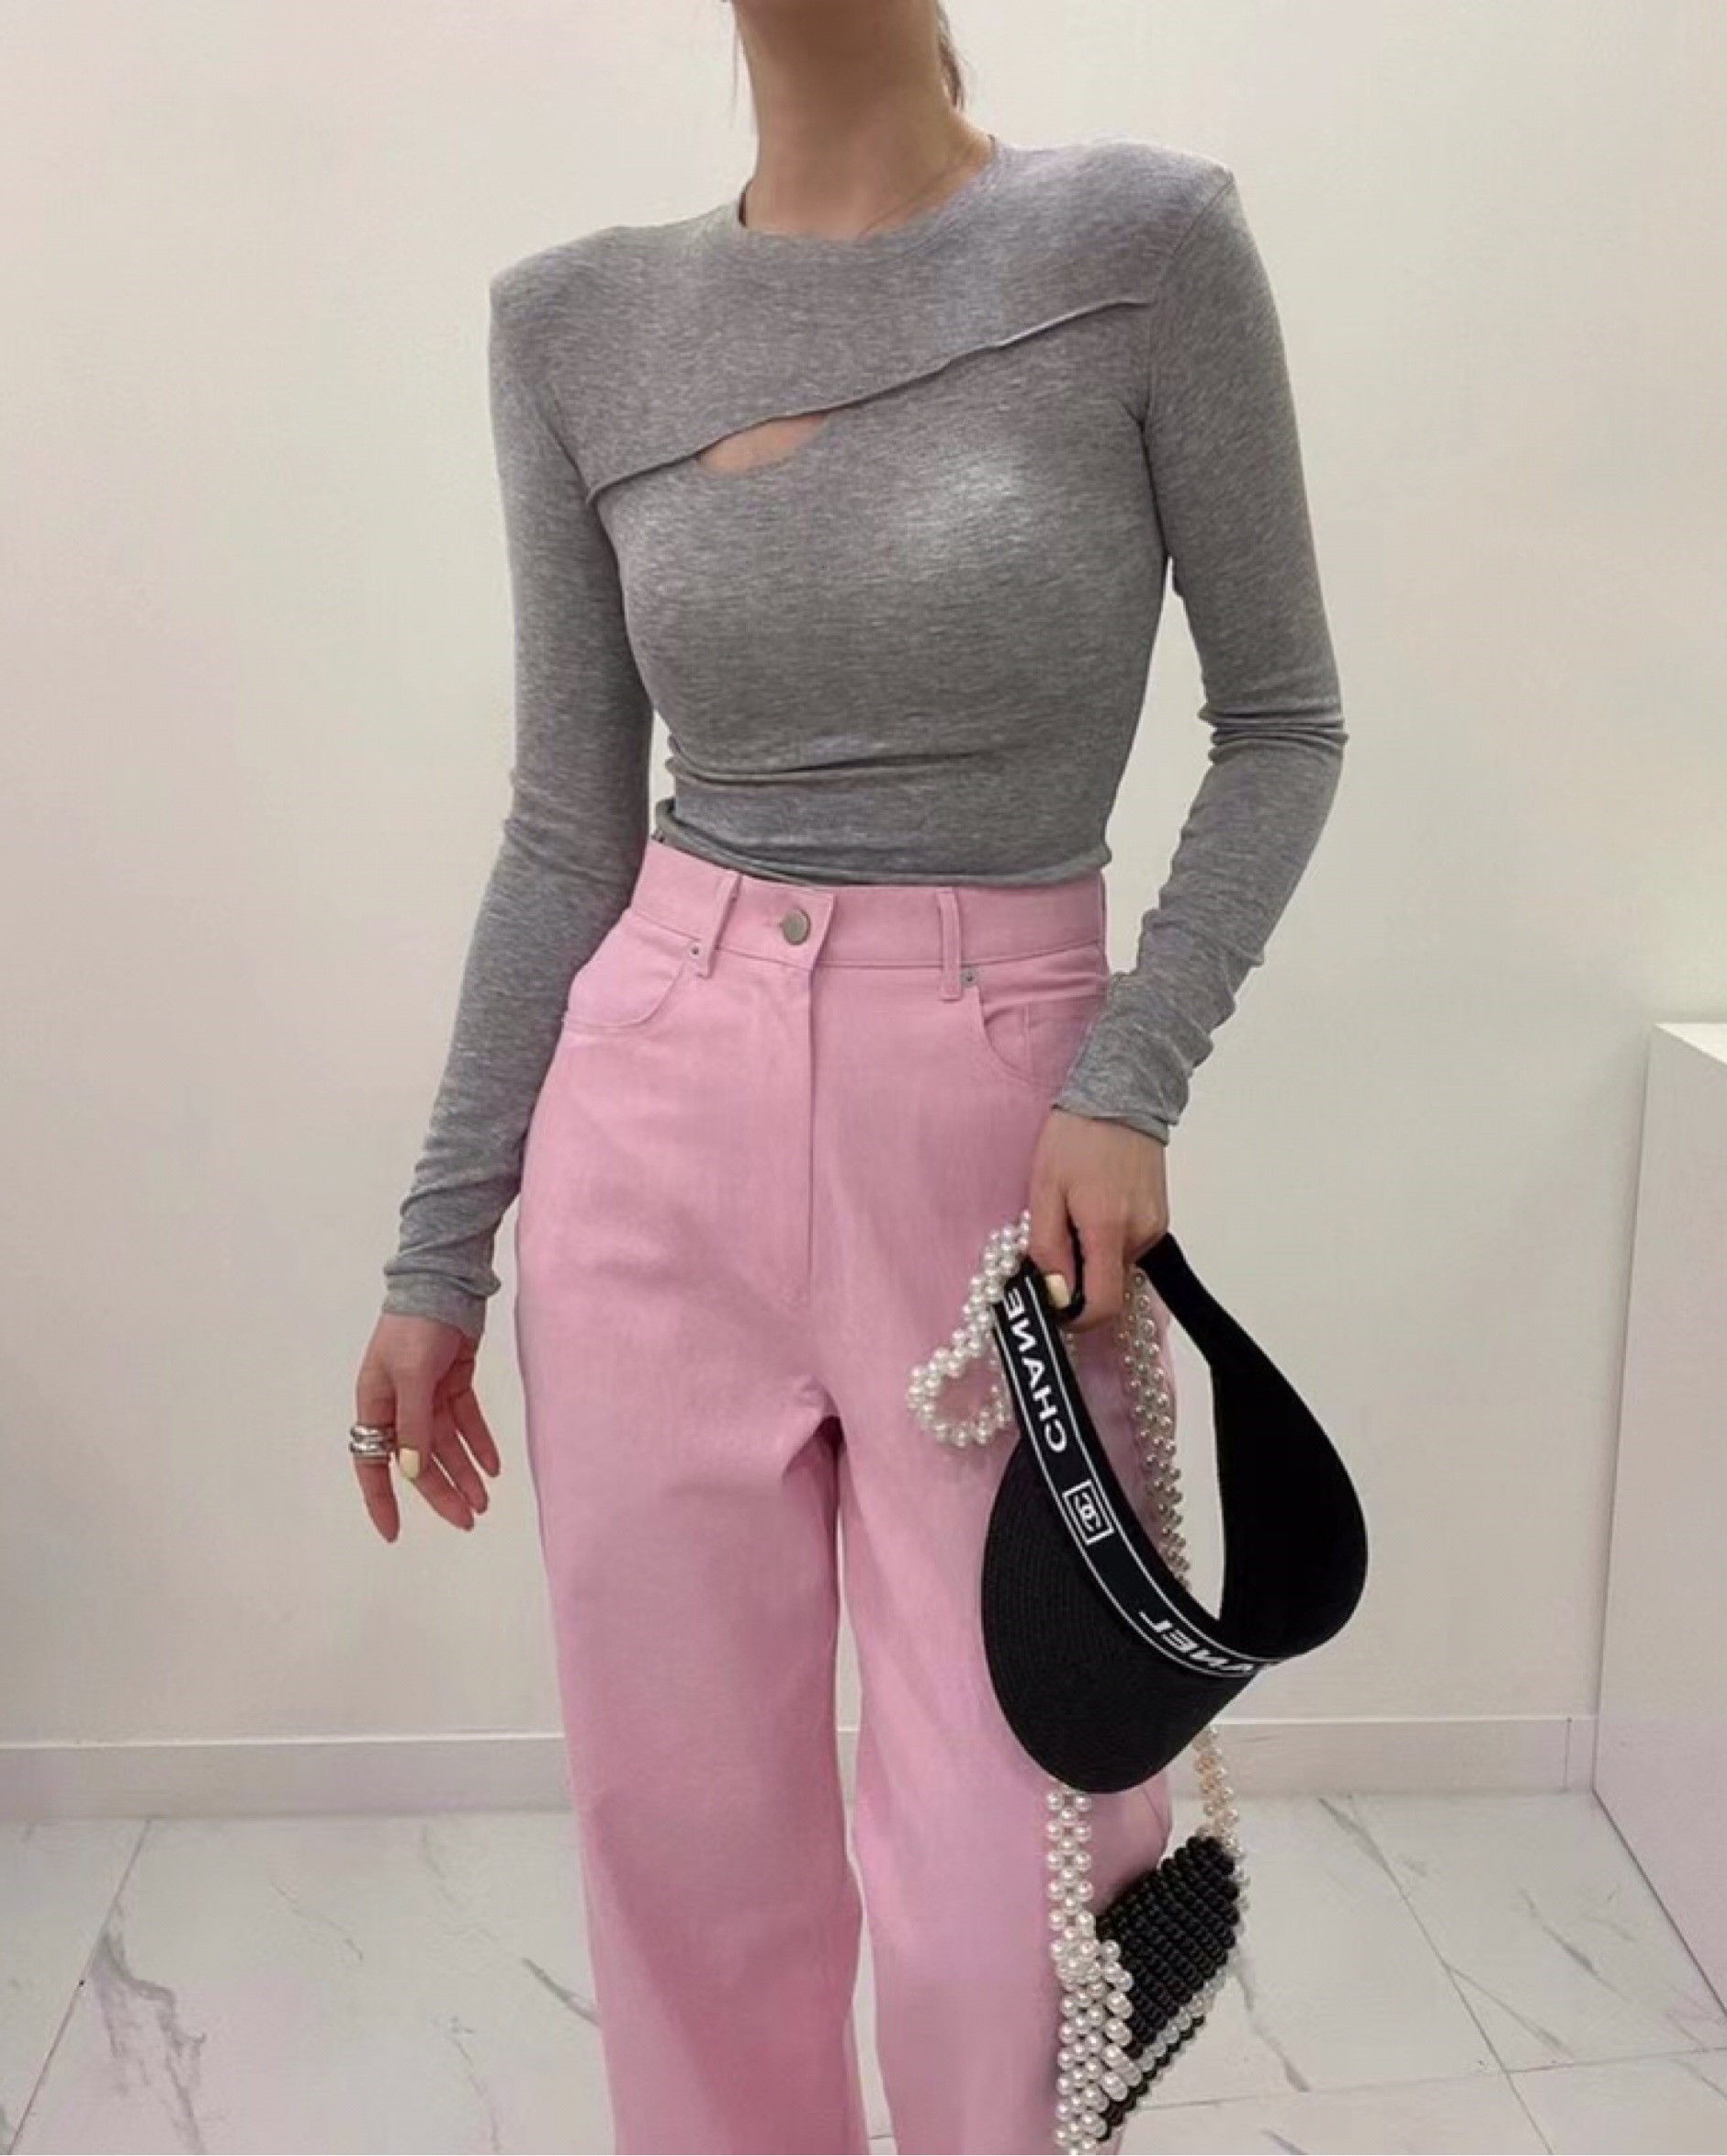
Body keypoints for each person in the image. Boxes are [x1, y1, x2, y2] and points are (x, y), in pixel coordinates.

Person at [349, 4, 1345, 2149]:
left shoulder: (1142, 246)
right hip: (650, 1104)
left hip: (999, 1136)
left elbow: (1284, 720)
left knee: (1020, 1863)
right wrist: (441, 1253)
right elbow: (565, 831)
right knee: (687, 1839)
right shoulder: (574, 323)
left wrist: (1132, 1070)